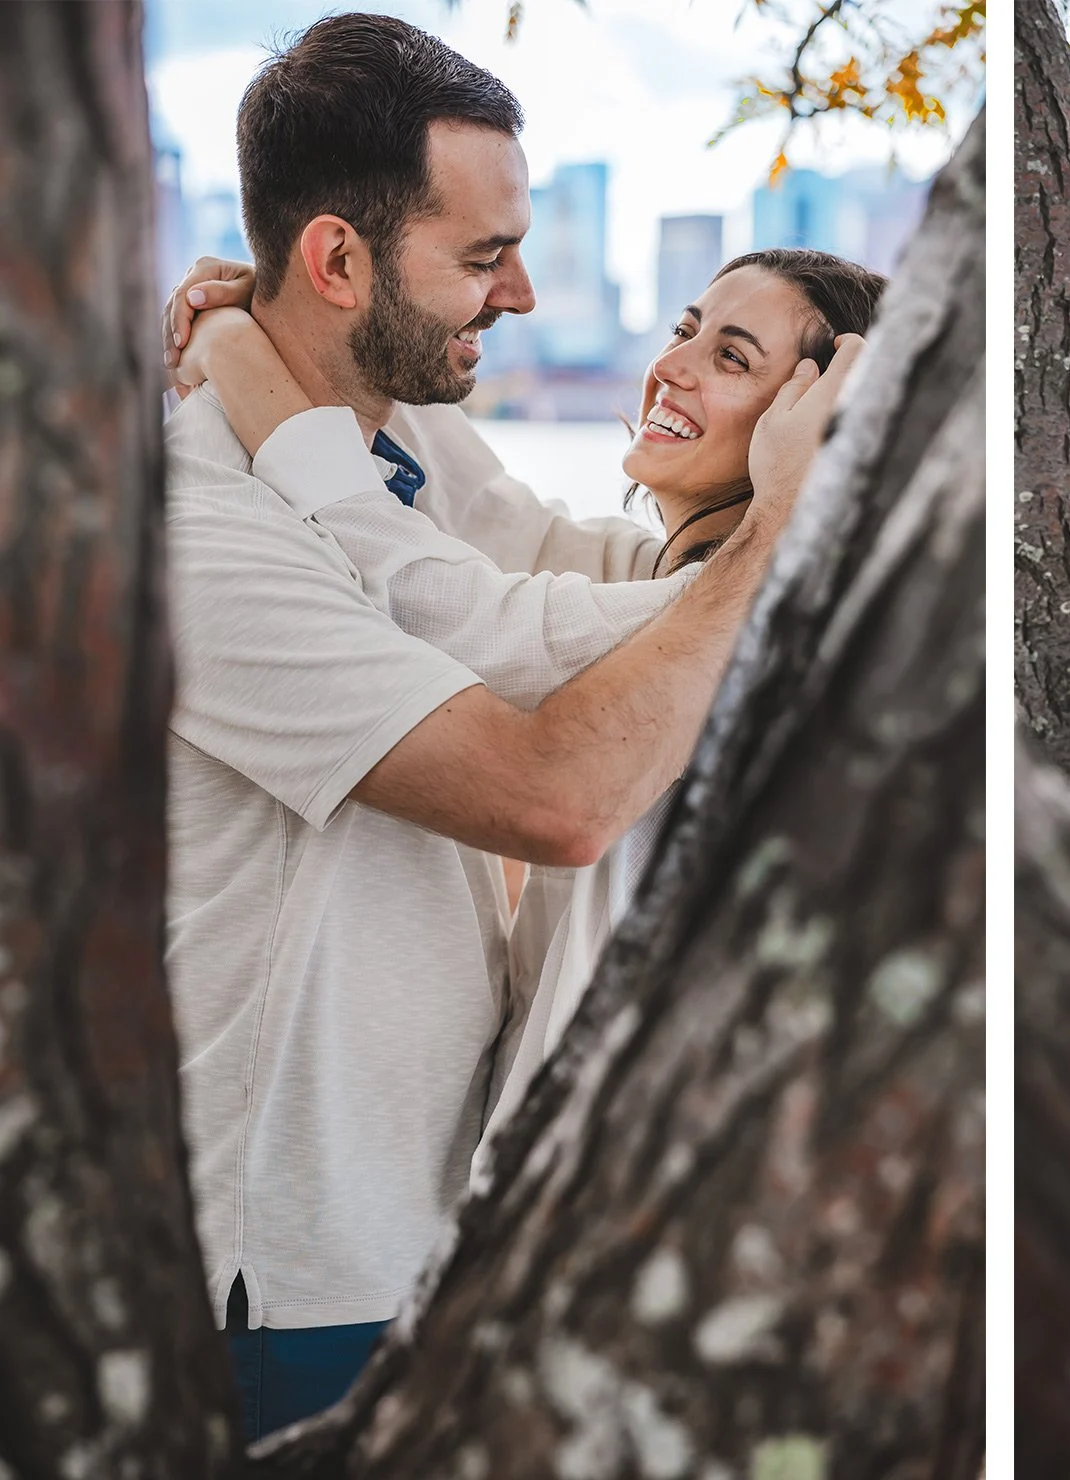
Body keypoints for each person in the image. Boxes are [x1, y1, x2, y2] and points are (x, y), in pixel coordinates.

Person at [155, 14, 852, 1438]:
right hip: (283, 1275)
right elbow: (555, 784)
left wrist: (235, 328)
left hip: (442, 1245)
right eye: (482, 257)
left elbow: (510, 572)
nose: (523, 294)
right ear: (340, 260)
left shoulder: (394, 457)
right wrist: (784, 527)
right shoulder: (197, 536)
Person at [172, 245, 887, 1141]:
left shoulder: (737, 634)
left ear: (814, 425)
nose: (672, 368)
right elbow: (477, 501)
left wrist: (235, 343)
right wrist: (291, 311)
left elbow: (426, 589)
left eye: (733, 359)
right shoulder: (655, 579)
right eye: (686, 331)